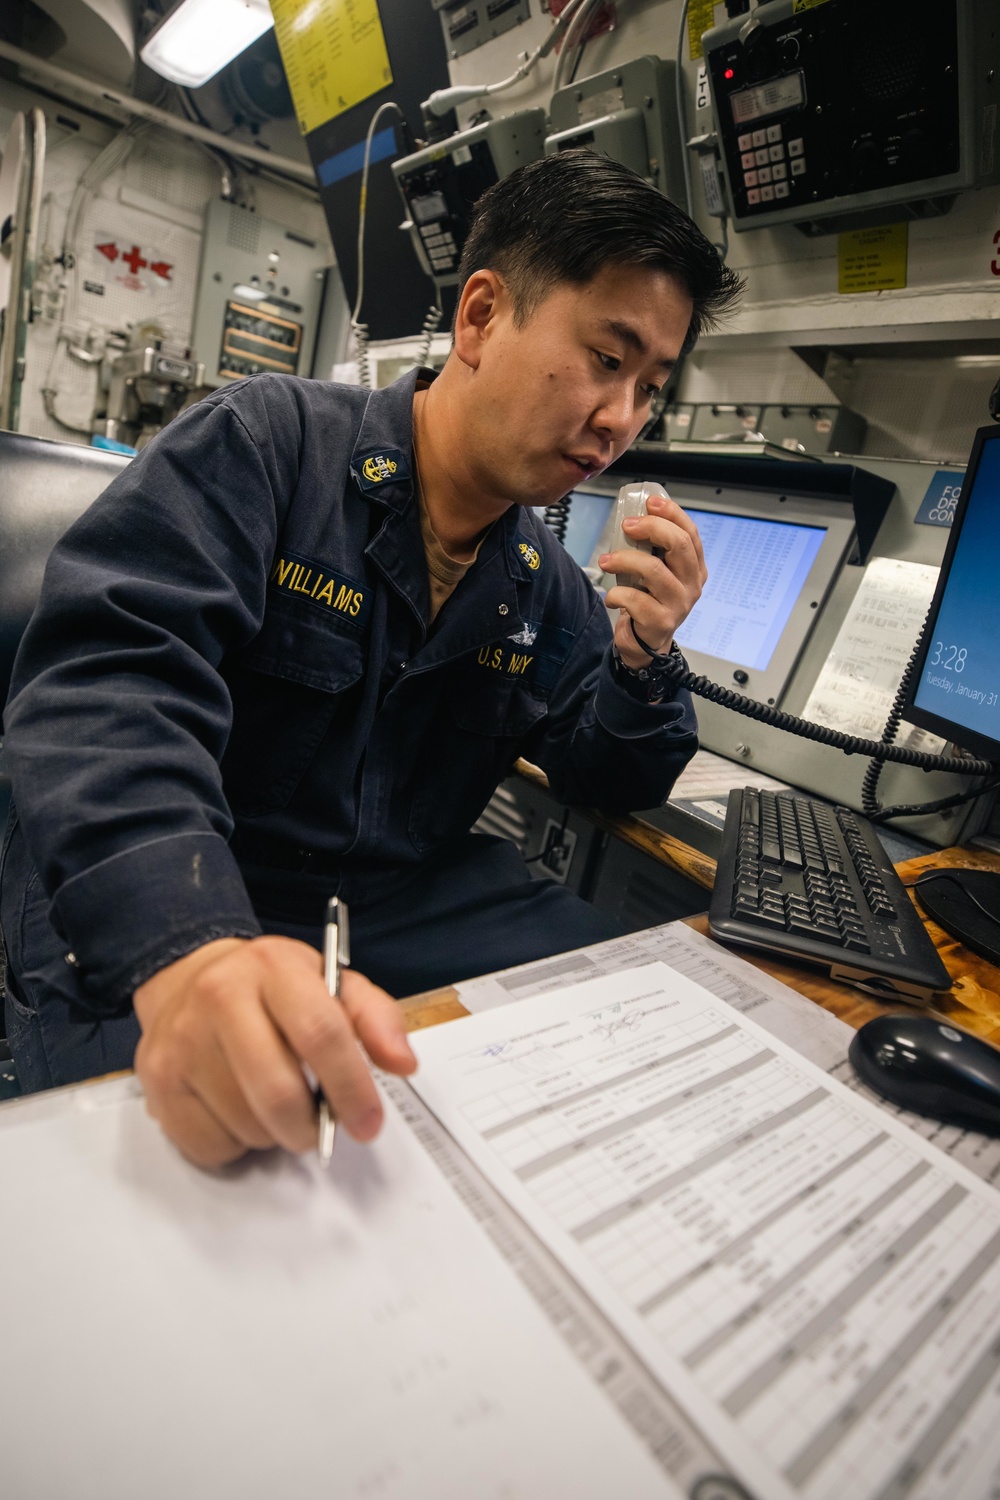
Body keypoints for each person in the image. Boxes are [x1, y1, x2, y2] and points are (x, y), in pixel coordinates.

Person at [0, 149, 742, 1166]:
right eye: (607, 360)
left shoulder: (546, 582)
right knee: (185, 1157)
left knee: (652, 1017)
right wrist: (185, 942)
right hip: (198, 873)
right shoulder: (265, 448)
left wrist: (646, 661)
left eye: (650, 388)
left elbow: (604, 772)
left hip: (397, 901)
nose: (621, 421)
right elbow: (110, 688)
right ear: (480, 316)